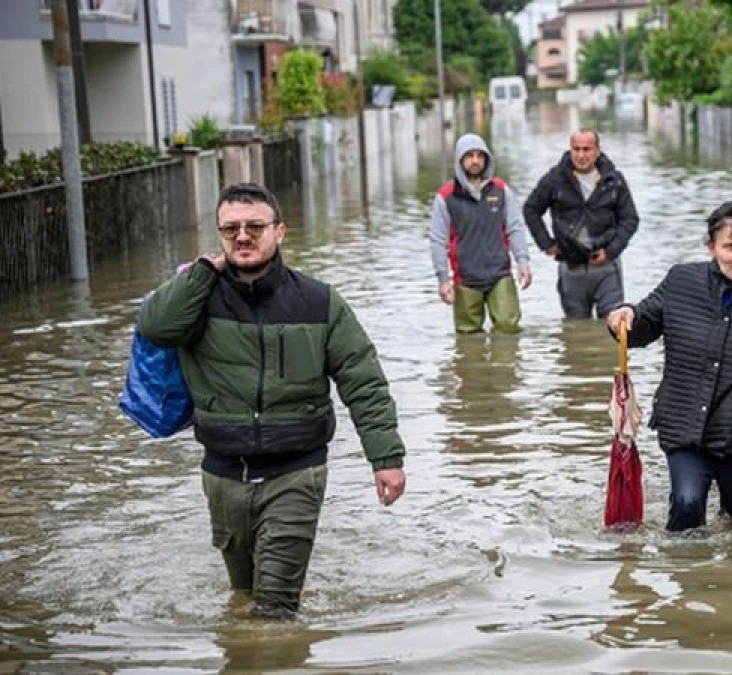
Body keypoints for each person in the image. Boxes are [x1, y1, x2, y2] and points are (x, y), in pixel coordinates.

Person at [137, 182, 407, 619]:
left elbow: (364, 382)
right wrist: (204, 271)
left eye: (255, 226)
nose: (243, 236)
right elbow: (154, 327)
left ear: (279, 231)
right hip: (223, 475)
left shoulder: (319, 302)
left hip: (296, 473)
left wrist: (386, 458)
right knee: (242, 596)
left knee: (275, 610)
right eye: (230, 230)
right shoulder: (197, 299)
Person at [605, 201, 732, 532]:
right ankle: (688, 578)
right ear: (711, 247)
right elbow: (644, 324)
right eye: (731, 246)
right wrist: (624, 317)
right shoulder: (680, 281)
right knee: (686, 507)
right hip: (683, 424)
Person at [523, 128, 639, 319]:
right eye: (576, 149)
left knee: (612, 327)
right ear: (570, 150)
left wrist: (611, 251)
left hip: (607, 268)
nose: (581, 155)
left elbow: (630, 219)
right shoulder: (555, 179)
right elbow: (531, 209)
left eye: (586, 149)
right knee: (575, 331)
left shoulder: (614, 180)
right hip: (571, 268)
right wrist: (547, 244)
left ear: (597, 151)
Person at [431, 133, 532, 333]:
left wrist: (523, 262)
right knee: (467, 338)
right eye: (469, 156)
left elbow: (515, 228)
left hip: (500, 274)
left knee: (508, 329)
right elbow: (437, 240)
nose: (475, 161)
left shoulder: (501, 191)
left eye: (480, 155)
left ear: (487, 159)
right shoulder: (445, 197)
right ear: (460, 160)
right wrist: (443, 280)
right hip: (465, 279)